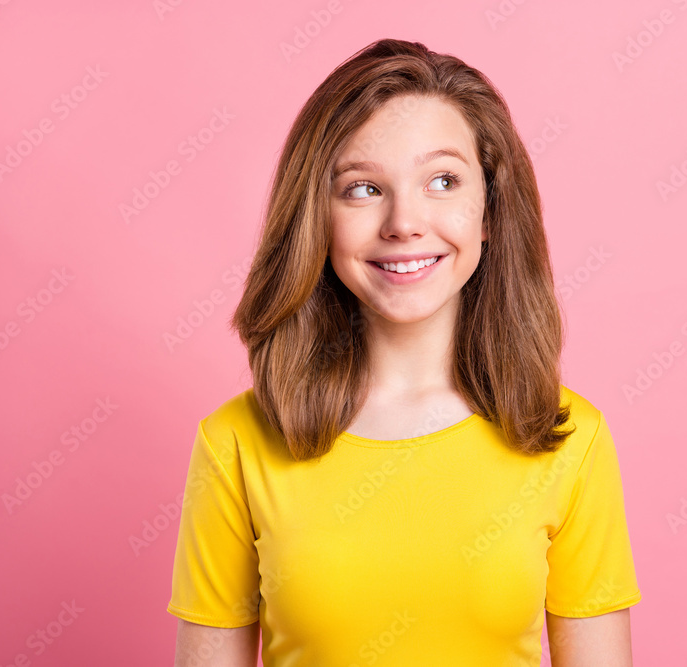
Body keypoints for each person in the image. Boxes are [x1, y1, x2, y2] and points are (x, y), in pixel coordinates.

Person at [168, 37, 642, 666]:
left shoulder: (570, 439)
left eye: (442, 181)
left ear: (489, 211)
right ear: (316, 217)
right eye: (363, 189)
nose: (404, 222)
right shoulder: (235, 444)